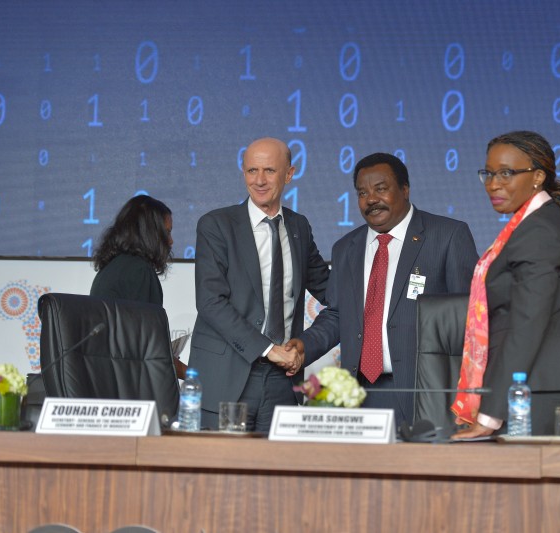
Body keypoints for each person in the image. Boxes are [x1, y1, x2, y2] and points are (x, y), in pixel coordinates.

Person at [287, 152, 478, 426]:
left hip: (427, 394)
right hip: (361, 393)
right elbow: (338, 315)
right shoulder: (345, 248)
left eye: (381, 189)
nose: (371, 200)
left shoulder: (447, 236)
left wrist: (468, 397)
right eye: (362, 193)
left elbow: (469, 321)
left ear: (405, 189)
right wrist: (304, 345)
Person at [451, 130, 560, 438]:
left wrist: (489, 417)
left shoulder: (538, 231)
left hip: (540, 389)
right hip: (535, 384)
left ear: (538, 176)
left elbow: (527, 323)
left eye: (506, 173)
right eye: (488, 173)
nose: (493, 184)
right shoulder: (533, 224)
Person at [188, 137, 329, 431]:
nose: (260, 180)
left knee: (278, 474)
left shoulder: (299, 226)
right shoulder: (216, 225)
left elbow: (331, 290)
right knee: (220, 474)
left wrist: (305, 347)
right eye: (252, 171)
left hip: (283, 380)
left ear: (289, 174)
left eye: (269, 171)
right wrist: (268, 348)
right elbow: (211, 301)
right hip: (228, 376)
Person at [90, 194, 173, 306]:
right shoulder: (140, 271)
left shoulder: (109, 269)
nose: (170, 241)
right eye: (167, 232)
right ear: (150, 233)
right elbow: (146, 322)